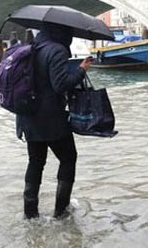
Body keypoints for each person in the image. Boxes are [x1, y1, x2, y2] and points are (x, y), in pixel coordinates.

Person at [16, 22, 93, 219]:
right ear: (62, 32)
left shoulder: (32, 48)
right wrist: (81, 70)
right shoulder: (57, 50)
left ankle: (30, 213)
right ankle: (61, 211)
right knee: (69, 158)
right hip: (50, 118)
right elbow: (60, 85)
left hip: (28, 116)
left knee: (36, 162)